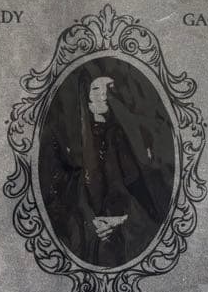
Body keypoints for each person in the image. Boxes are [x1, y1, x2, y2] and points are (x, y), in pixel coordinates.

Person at [41, 70, 169, 268]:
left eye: (109, 88)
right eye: (96, 89)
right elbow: (60, 196)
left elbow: (145, 195)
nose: (104, 94)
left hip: (125, 235)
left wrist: (122, 221)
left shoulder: (125, 139)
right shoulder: (72, 142)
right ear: (87, 96)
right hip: (83, 235)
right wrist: (89, 222)